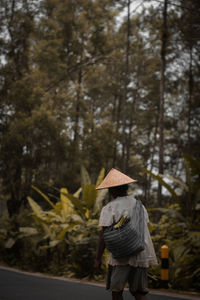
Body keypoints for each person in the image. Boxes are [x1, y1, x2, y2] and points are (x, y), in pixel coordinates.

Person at [95, 168, 158, 300]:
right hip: (140, 253)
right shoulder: (140, 206)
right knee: (139, 292)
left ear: (111, 190)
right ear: (126, 187)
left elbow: (103, 236)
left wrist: (98, 259)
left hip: (120, 257)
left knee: (116, 291)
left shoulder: (109, 208)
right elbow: (143, 229)